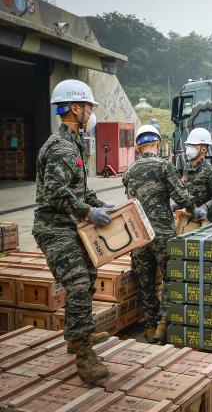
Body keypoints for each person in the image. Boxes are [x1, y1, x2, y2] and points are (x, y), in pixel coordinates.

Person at [33, 79, 114, 383]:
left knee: (90, 276)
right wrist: (90, 212)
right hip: (53, 228)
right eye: (89, 106)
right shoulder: (59, 147)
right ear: (75, 108)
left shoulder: (75, 144)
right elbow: (55, 192)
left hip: (69, 224)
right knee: (78, 282)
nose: (92, 112)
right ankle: (83, 354)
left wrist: (98, 203)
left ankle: (77, 334)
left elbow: (78, 189)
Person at [122, 124, 198, 344]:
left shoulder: (129, 171)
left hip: (139, 235)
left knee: (145, 282)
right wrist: (195, 209)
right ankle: (163, 326)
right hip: (162, 233)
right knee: (169, 278)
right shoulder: (165, 166)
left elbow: (131, 200)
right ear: (157, 143)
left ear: (138, 146)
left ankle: (148, 325)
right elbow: (182, 196)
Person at [177, 128, 212, 222]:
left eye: (193, 145)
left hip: (206, 223)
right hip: (188, 220)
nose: (189, 148)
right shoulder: (187, 166)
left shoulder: (209, 170)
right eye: (189, 145)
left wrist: (206, 207)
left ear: (204, 149)